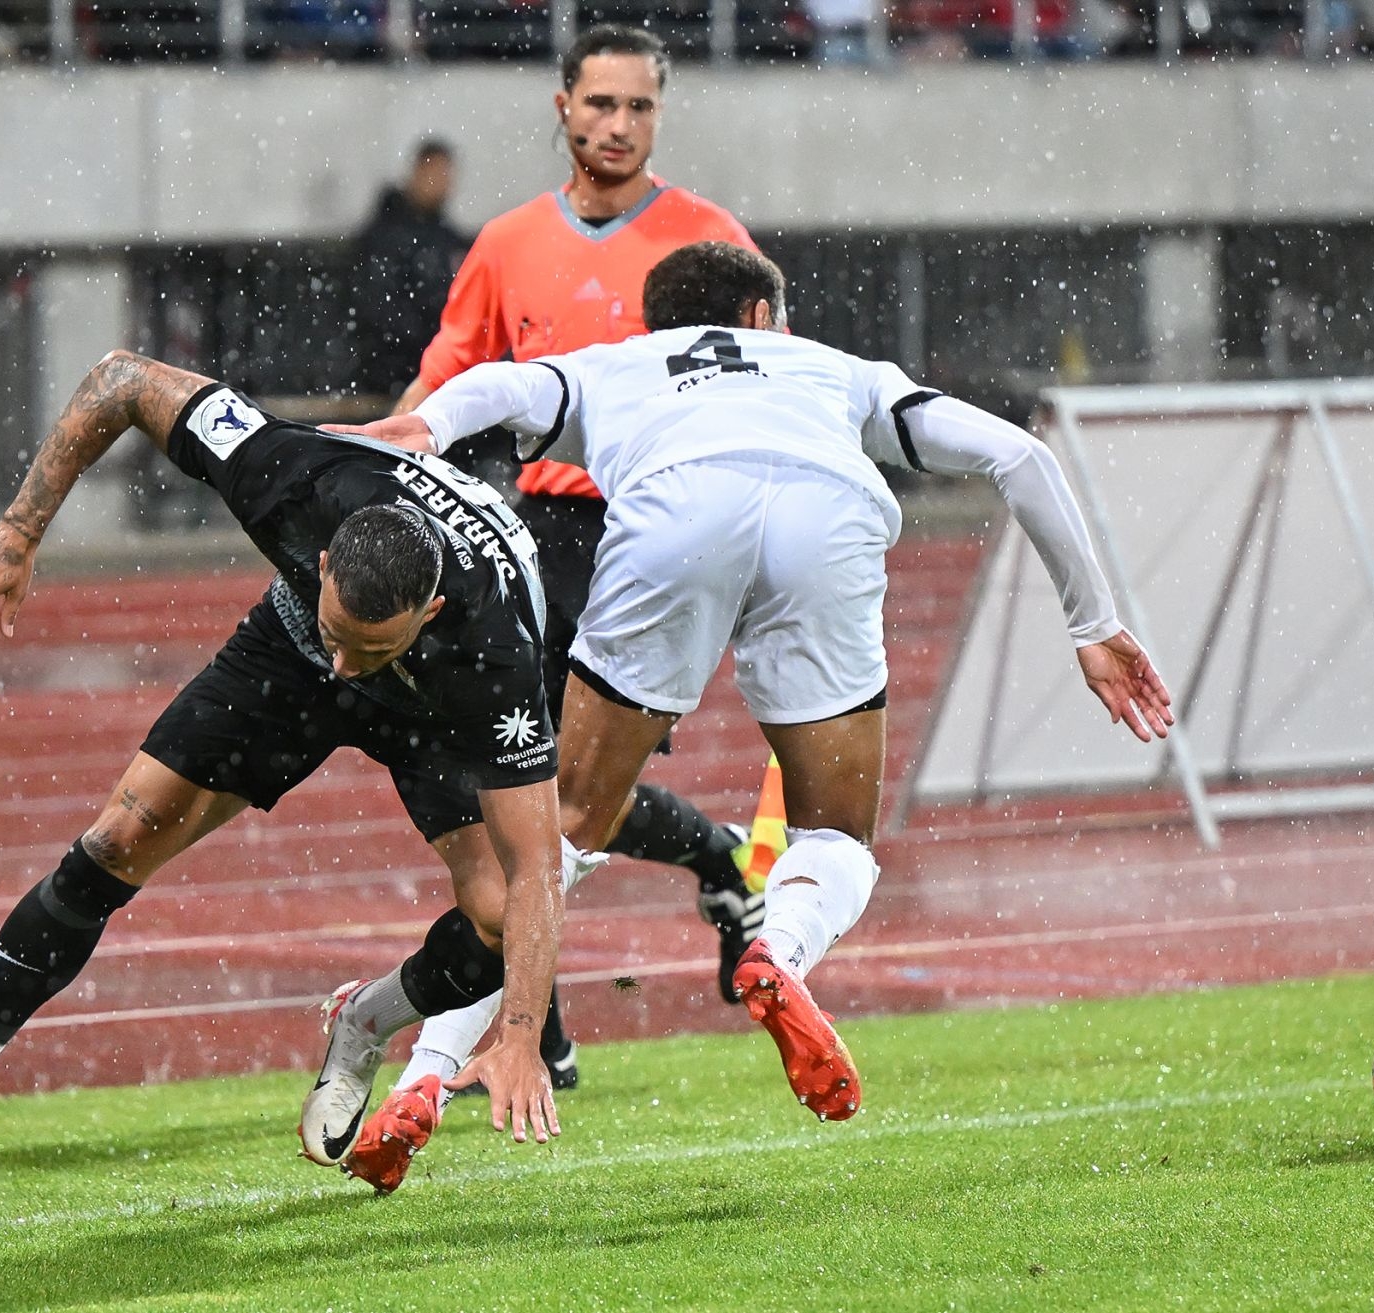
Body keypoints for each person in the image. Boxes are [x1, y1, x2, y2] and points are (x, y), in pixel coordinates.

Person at [329, 240, 1174, 1189]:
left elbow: (502, 385)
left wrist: (428, 423)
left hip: (676, 512)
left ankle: (429, 1072)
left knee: (554, 836)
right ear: (764, 316)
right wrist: (1093, 623)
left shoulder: (619, 364)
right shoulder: (838, 369)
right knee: (837, 835)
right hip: (826, 512)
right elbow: (1019, 455)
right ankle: (779, 948)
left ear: (661, 322)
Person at [0, 349, 578, 1186]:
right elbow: (120, 379)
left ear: (429, 612)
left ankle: (365, 1022)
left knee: (498, 914)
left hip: (434, 710)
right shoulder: (290, 476)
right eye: (344, 634)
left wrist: (520, 1033)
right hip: (288, 652)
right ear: (324, 561)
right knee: (114, 842)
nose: (349, 666)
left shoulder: (496, 653)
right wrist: (20, 527)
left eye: (372, 648)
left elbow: (539, 869)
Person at [384, 22, 770, 1107]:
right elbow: (446, 378)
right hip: (536, 535)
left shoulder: (708, 240)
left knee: (557, 793)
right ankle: (702, 874)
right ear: (563, 107)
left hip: (655, 534)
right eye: (600, 103)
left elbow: (772, 373)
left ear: (660, 114)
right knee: (522, 783)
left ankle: (545, 1023)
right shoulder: (507, 243)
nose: (618, 125)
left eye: (639, 106)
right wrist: (374, 473)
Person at [347, 139, 472, 399]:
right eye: (434, 173)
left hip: (435, 371)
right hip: (392, 375)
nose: (441, 183)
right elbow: (379, 309)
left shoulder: (447, 239)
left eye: (445, 175)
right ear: (416, 173)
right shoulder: (385, 237)